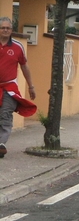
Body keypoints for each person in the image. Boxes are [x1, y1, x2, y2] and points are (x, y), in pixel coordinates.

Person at [0, 16, 37, 158]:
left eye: (7, 28)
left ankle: (1, 144)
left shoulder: (17, 47)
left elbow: (24, 66)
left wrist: (31, 86)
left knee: (5, 115)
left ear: (11, 30)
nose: (5, 30)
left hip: (9, 88)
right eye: (2, 27)